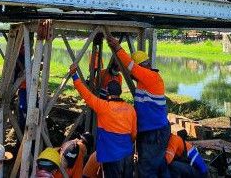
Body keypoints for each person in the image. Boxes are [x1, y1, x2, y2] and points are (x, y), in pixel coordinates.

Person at [104, 31, 170, 178]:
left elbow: (131, 67)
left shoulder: (151, 77)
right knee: (157, 166)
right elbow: (130, 69)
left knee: (147, 169)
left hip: (154, 132)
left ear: (142, 66)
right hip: (153, 130)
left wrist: (117, 48)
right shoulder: (144, 80)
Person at [69, 62, 136, 178]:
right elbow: (134, 134)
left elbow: (86, 95)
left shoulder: (103, 106)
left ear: (108, 93)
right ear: (120, 92)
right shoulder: (130, 109)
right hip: (127, 154)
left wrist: (74, 76)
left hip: (111, 155)